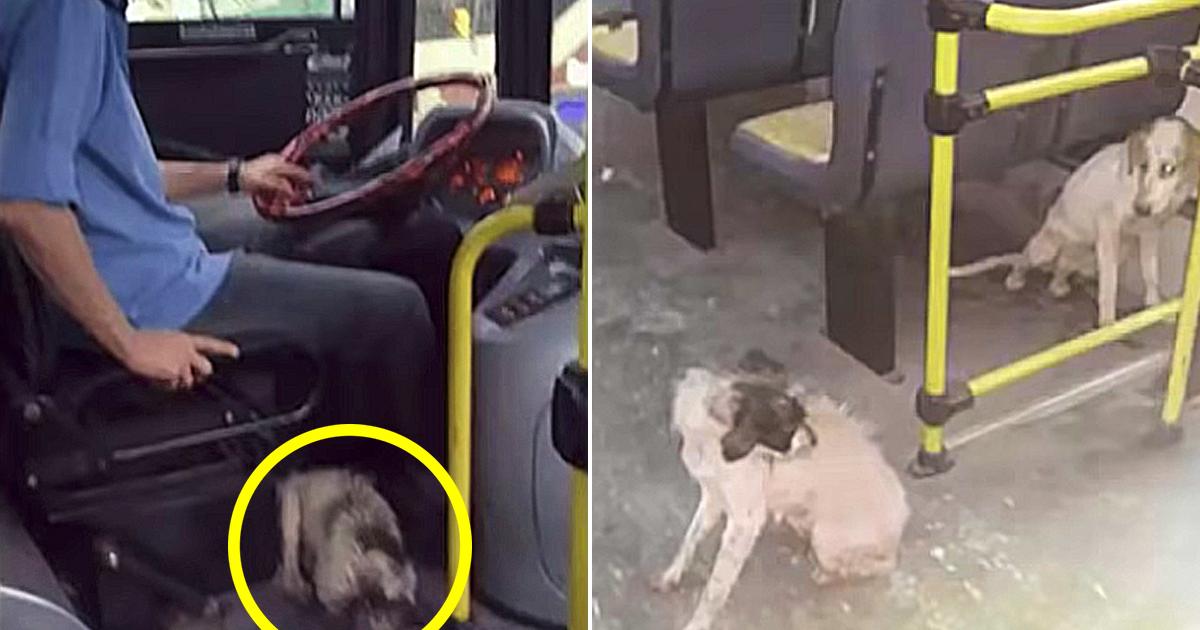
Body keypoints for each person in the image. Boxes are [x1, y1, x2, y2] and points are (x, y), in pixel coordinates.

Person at [0, 0, 458, 457]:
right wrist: (130, 342)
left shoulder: (85, 15)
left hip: (137, 244)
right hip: (144, 288)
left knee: (329, 229)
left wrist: (237, 176)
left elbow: (119, 171)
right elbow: (25, 201)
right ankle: (423, 513)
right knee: (397, 313)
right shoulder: (66, 12)